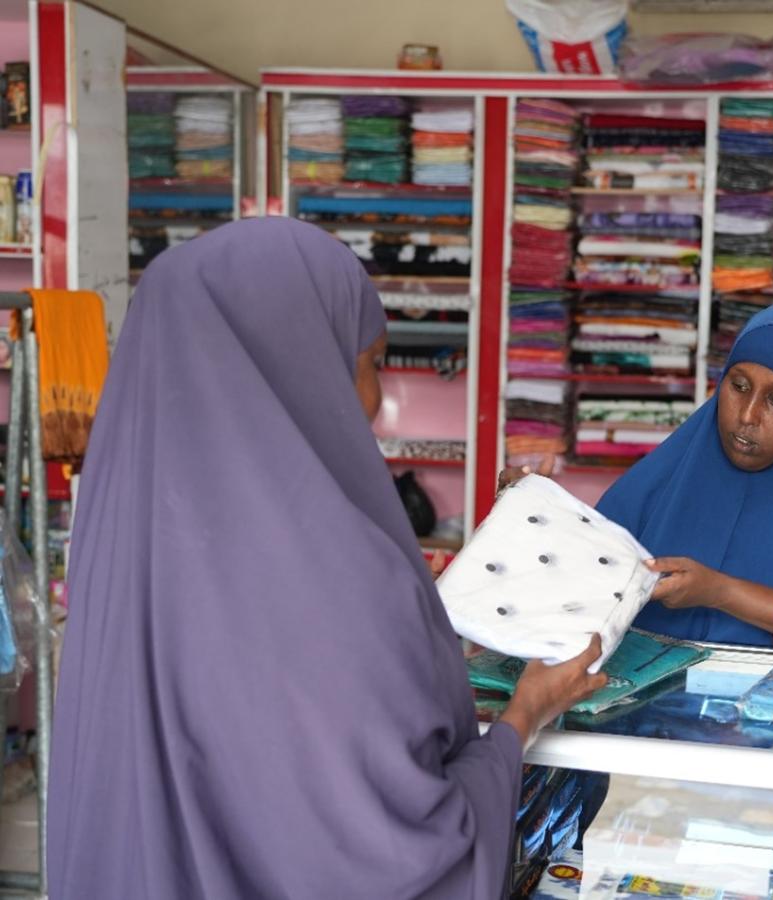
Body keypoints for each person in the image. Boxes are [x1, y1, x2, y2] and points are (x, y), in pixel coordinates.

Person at [47, 217, 605, 900]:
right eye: (370, 364)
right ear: (304, 363)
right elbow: (405, 855)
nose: (374, 400)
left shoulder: (117, 546)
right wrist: (523, 718)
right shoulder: (344, 584)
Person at [505, 301, 773, 651]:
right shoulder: (674, 471)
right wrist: (534, 515)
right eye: (738, 386)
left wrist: (720, 593)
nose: (747, 417)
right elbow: (589, 571)